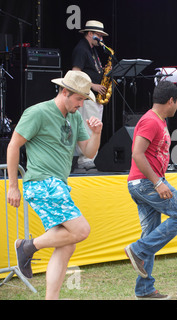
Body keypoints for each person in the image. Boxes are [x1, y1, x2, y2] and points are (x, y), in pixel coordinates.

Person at [6, 70, 102, 299]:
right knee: (81, 230)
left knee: (68, 245)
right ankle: (26, 247)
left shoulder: (75, 117)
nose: (81, 104)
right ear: (65, 91)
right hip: (41, 183)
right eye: (79, 99)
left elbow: (88, 151)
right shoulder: (38, 112)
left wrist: (96, 133)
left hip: (57, 185)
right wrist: (12, 186)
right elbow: (13, 146)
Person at [124, 81, 177, 300]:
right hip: (145, 182)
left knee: (151, 233)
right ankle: (138, 250)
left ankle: (144, 289)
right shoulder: (150, 121)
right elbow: (137, 154)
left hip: (145, 182)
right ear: (170, 100)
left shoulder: (158, 121)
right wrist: (157, 182)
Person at [72, 20, 109, 169]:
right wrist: (93, 86)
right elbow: (75, 73)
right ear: (89, 33)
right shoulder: (81, 49)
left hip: (93, 97)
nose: (101, 39)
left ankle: (89, 158)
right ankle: (84, 160)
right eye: (98, 35)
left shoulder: (92, 49)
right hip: (87, 95)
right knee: (88, 127)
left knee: (93, 127)